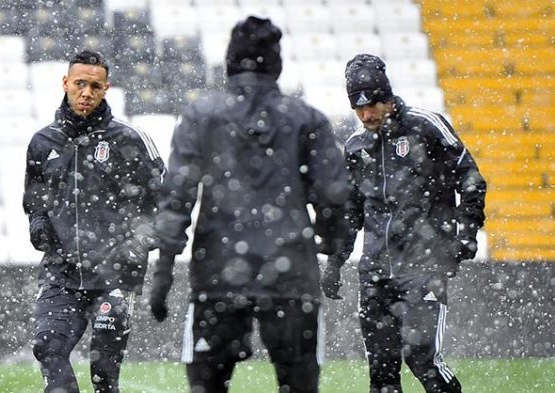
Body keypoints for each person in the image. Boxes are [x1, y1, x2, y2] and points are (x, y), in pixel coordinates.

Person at [147, 16, 351, 393]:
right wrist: (332, 244)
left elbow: (177, 197)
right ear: (276, 64)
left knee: (207, 386)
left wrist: (162, 272)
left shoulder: (200, 116)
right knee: (300, 383)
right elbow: (332, 197)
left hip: (218, 274)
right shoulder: (306, 119)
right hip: (290, 274)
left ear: (229, 61)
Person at [321, 54, 487, 393]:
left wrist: (466, 234)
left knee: (423, 360)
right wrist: (335, 262)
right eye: (358, 108)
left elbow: (470, 178)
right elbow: (350, 213)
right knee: (382, 375)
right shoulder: (355, 147)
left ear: (388, 97)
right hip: (375, 274)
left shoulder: (427, 126)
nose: (366, 115)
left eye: (372, 105)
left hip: (424, 266)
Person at [23, 49, 165, 393]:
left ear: (106, 89)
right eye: (80, 84)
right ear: (66, 83)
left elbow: (165, 207)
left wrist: (136, 244)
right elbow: (35, 199)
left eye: (95, 87)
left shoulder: (130, 140)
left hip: (113, 275)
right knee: (48, 347)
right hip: (61, 272)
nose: (86, 93)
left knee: (103, 371)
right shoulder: (43, 142)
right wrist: (38, 224)